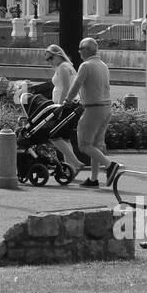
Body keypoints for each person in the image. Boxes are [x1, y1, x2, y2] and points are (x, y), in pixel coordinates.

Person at [65, 37, 120, 188]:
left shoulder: (86, 65)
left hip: (93, 108)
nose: (79, 52)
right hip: (106, 108)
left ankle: (110, 166)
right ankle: (94, 179)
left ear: (86, 51)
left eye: (80, 49)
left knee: (84, 145)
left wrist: (67, 100)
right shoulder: (103, 65)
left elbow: (77, 84)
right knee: (96, 145)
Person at [44, 43, 89, 175]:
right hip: (71, 106)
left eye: (50, 58)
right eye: (47, 60)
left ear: (58, 55)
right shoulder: (67, 66)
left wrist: (58, 106)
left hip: (65, 106)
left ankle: (75, 164)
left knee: (54, 136)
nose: (49, 62)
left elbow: (65, 88)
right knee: (65, 138)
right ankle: (70, 170)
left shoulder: (63, 68)